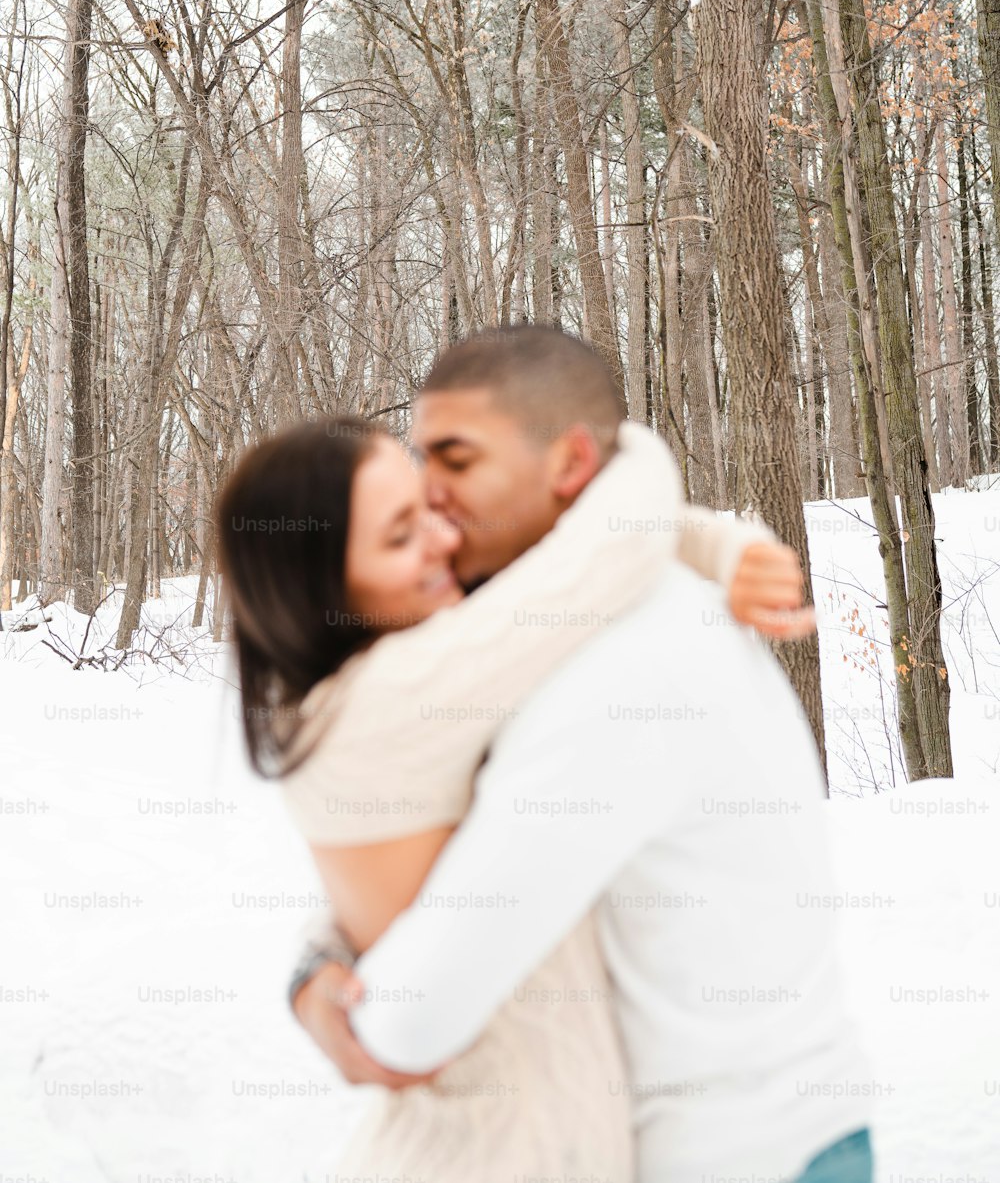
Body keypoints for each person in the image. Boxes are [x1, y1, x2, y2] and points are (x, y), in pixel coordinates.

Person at [279, 328, 872, 1182]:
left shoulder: (619, 669)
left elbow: (419, 1013)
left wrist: (347, 1012)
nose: (428, 496)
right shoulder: (575, 627)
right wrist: (318, 958)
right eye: (421, 459)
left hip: (749, 1154)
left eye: (456, 460)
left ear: (569, 465)